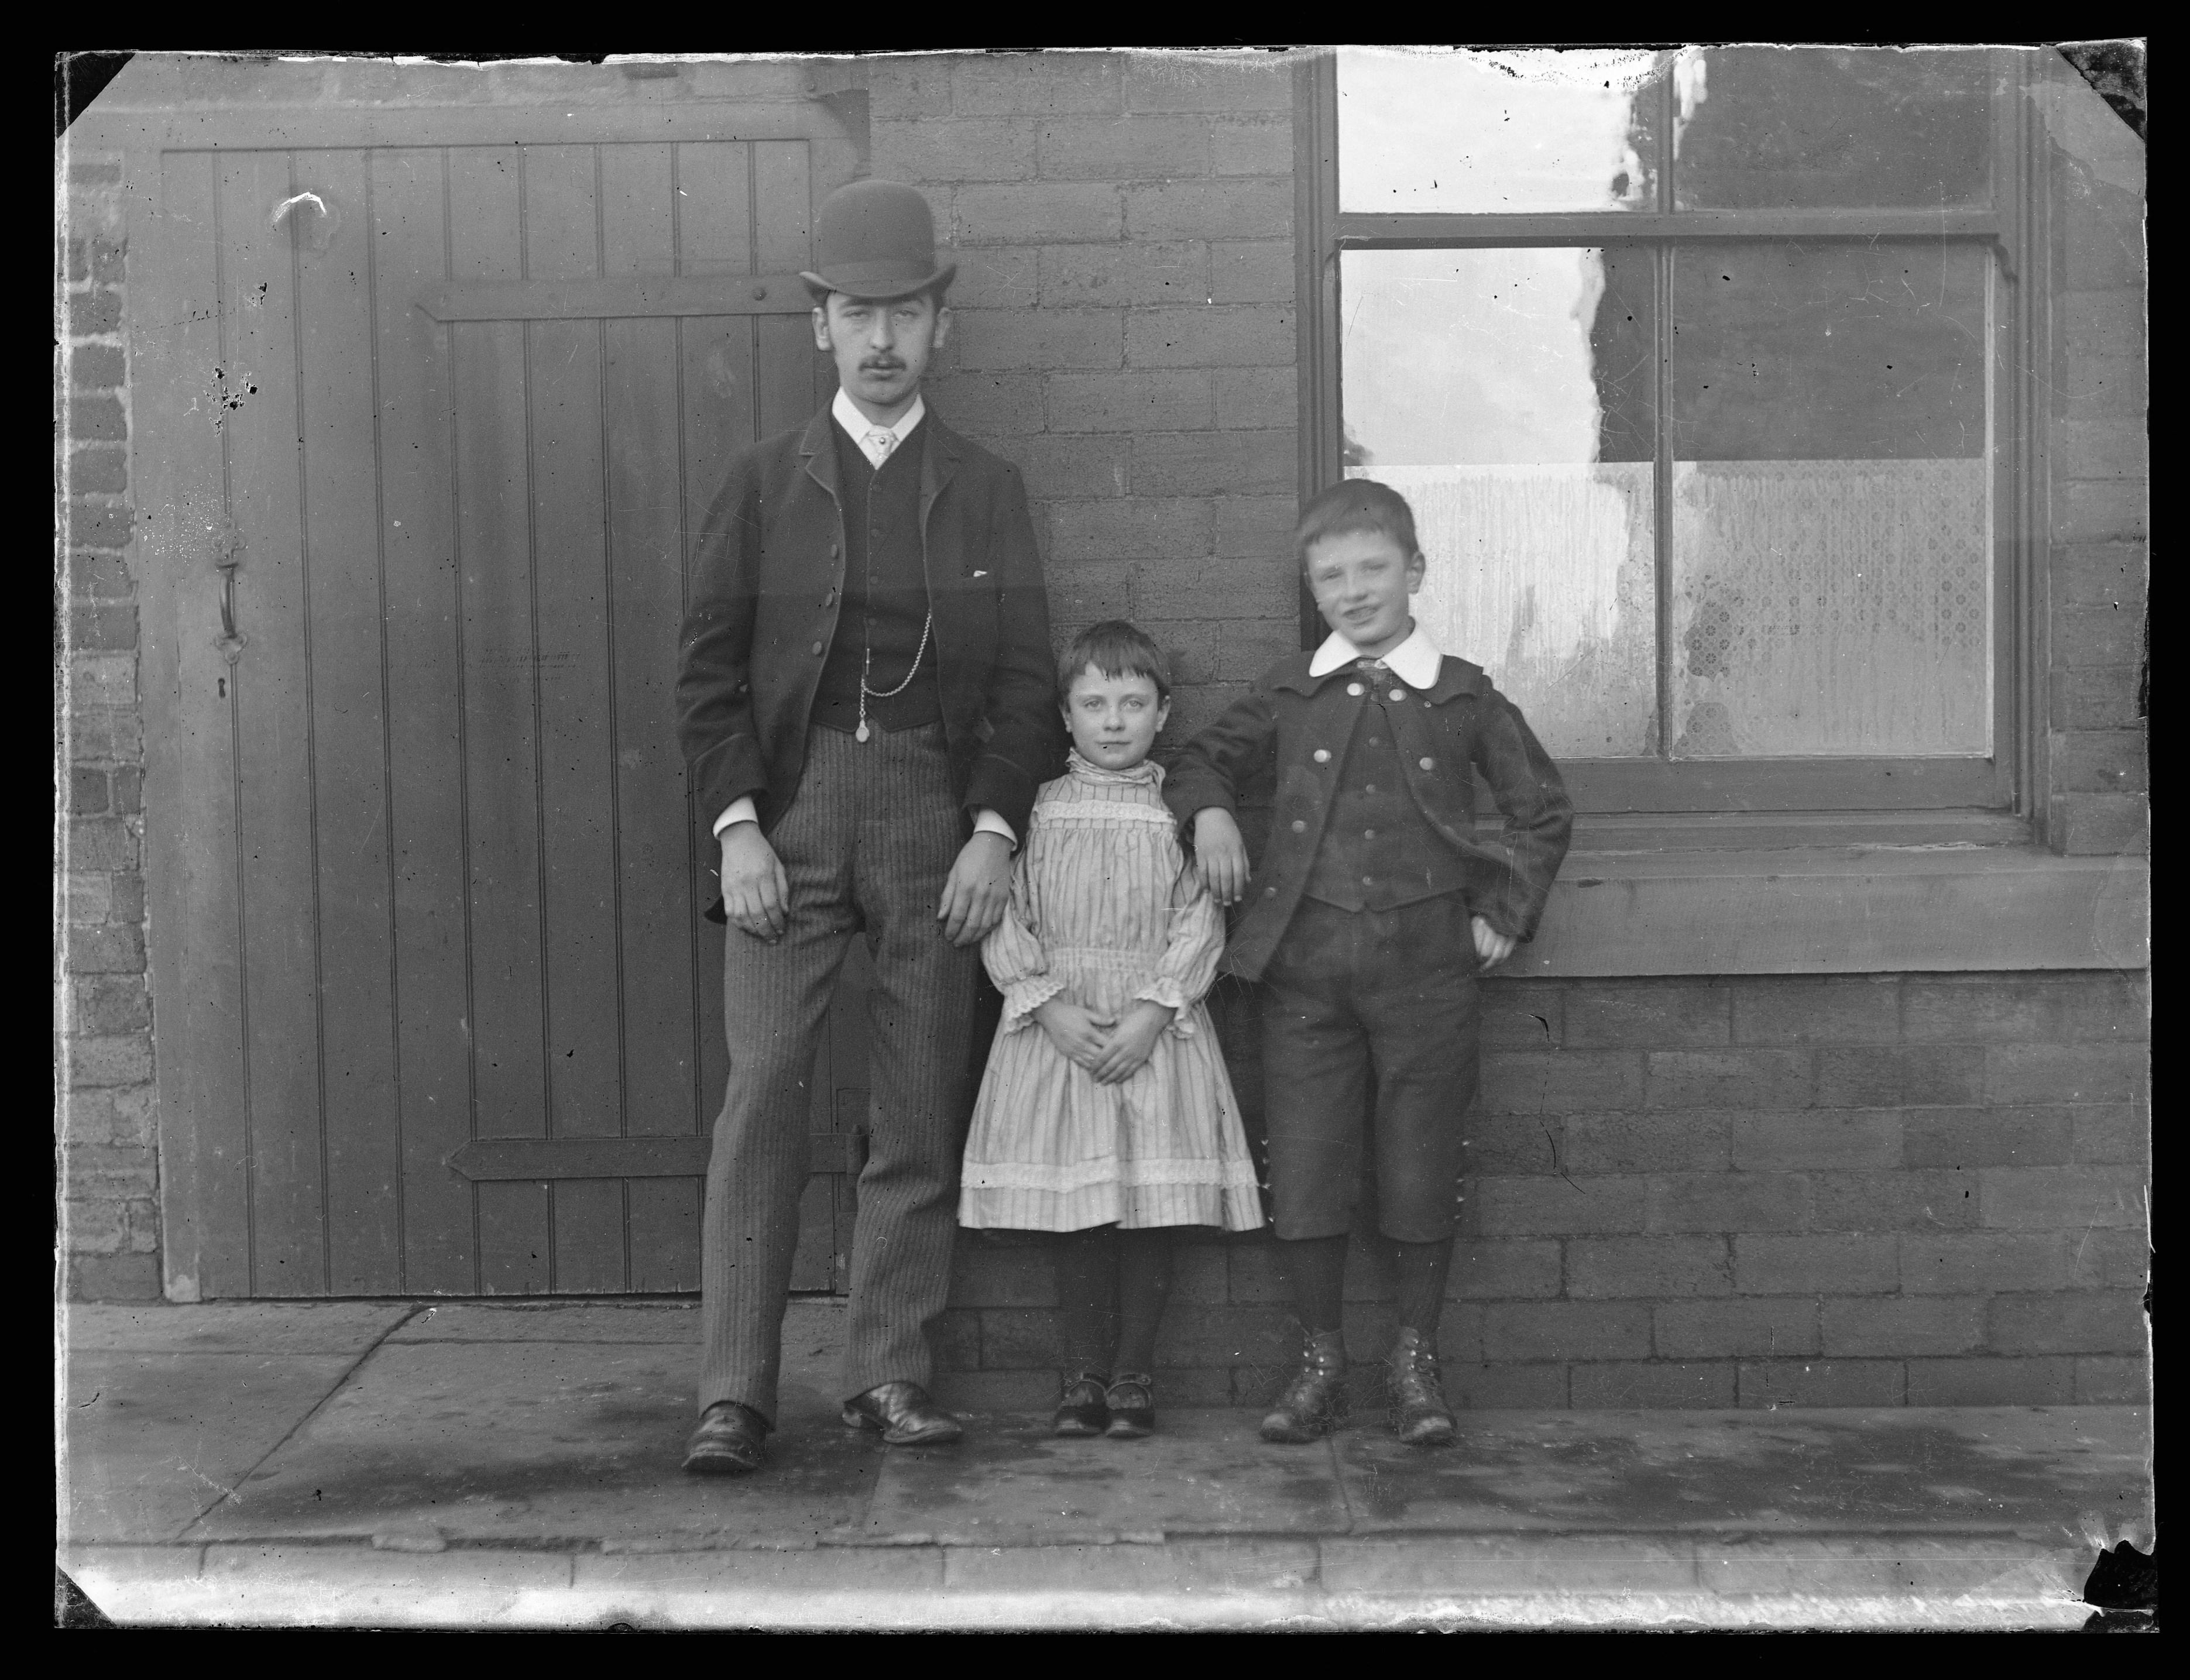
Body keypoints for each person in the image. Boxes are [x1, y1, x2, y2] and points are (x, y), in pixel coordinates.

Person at [675, 180, 1067, 1475]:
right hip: (786, 820)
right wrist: (738, 827)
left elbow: (1022, 679)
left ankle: (888, 1374)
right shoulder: (757, 481)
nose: (882, 338)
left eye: (905, 312)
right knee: (765, 1095)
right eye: (858, 313)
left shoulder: (989, 487)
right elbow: (708, 671)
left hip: (929, 814)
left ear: (938, 326)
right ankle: (734, 1390)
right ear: (820, 327)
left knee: (913, 1105)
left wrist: (994, 831)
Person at [1165, 480, 1572, 1447]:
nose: (1353, 591)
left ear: (1414, 572)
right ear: (1314, 588)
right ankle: (1319, 1364)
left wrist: (1504, 913)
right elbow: (1196, 763)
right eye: (1331, 575)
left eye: (1372, 569)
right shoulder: (1288, 691)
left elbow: (1540, 810)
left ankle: (1414, 1363)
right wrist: (1213, 810)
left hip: (1427, 972)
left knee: (1420, 1166)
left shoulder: (1463, 692)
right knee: (1304, 1165)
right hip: (1304, 973)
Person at [958, 623, 1262, 1438]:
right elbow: (1001, 913)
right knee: (1082, 1207)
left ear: (1163, 713)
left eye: (1133, 703)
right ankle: (1081, 1373)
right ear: (1065, 714)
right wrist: (1045, 1002)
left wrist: (1156, 1009)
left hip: (1149, 1032)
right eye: (1094, 703)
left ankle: (1132, 1373)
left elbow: (1200, 920)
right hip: (1058, 1029)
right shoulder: (1033, 808)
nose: (1114, 720)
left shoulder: (1179, 812)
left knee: (1146, 1205)